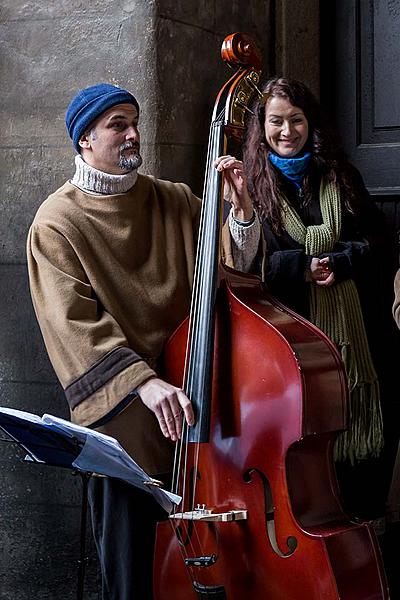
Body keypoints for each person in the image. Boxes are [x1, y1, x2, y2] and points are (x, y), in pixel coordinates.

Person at [26, 83, 200, 599]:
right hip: (126, 413)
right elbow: (72, 324)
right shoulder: (56, 223)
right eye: (117, 125)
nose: (133, 134)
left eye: (134, 121)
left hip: (195, 394)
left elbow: (232, 279)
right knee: (133, 569)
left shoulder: (175, 198)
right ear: (85, 140)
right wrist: (144, 383)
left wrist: (239, 216)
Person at [216, 76, 390, 519]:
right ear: (263, 127)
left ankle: (364, 543)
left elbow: (380, 240)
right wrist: (300, 267)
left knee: (364, 463)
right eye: (276, 121)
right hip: (291, 344)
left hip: (360, 340)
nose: (287, 131)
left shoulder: (338, 174)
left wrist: (342, 261)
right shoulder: (250, 184)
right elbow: (244, 267)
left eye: (296, 120)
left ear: (311, 124)